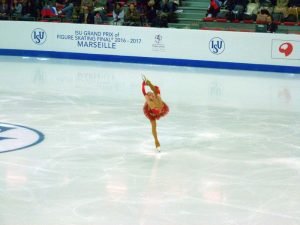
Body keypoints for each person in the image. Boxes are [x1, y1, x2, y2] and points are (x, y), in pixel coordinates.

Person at [142, 76, 169, 151]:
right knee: (154, 126)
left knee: (157, 91)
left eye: (151, 93)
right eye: (149, 94)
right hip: (152, 113)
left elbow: (154, 89)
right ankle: (156, 141)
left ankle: (150, 83)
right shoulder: (149, 103)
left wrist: (148, 83)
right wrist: (143, 84)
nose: (151, 94)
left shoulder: (157, 97)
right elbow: (144, 92)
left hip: (159, 109)